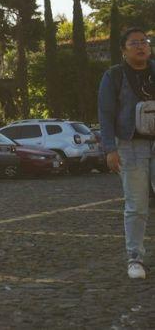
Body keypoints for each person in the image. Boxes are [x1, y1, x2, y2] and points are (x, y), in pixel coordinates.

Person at [99, 26, 155, 280]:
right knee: (136, 204)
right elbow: (106, 113)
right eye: (134, 43)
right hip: (131, 145)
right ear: (123, 50)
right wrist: (110, 149)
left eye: (144, 41)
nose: (141, 46)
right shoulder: (114, 76)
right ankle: (135, 259)